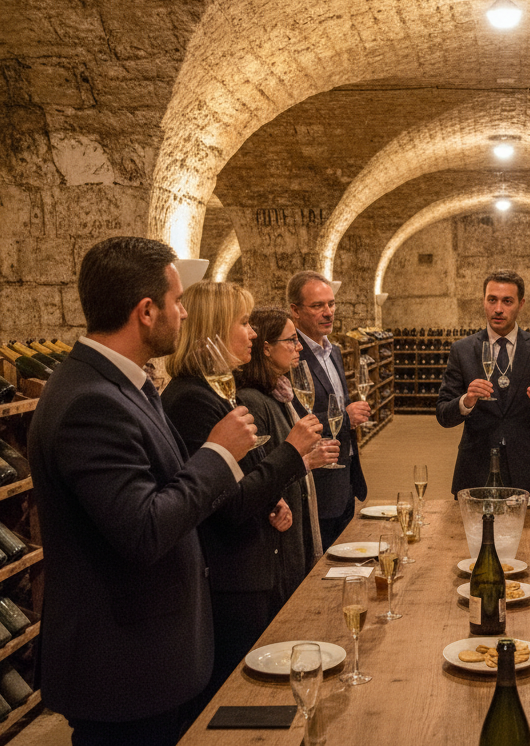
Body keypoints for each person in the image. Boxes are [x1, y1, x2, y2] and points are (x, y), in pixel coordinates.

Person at [29, 236, 256, 746]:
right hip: (123, 664)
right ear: (147, 311)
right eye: (178, 302)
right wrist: (219, 456)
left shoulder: (122, 385)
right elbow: (144, 528)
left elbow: (169, 484)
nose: (183, 313)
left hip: (151, 653)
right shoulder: (91, 401)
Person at [158, 283, 332, 706]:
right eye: (242, 323)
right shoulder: (192, 400)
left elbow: (238, 479)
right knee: (243, 697)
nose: (252, 334)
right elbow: (228, 503)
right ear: (213, 331)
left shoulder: (218, 393)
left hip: (253, 564)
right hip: (232, 575)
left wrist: (272, 498)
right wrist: (291, 452)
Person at [436, 269, 530, 497]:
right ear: (484, 301)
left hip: (526, 468)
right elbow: (443, 415)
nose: (498, 309)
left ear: (521, 304)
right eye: (492, 300)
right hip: (475, 467)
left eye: (507, 301)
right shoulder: (463, 350)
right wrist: (466, 402)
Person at [235, 306, 335, 594]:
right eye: (291, 340)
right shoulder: (253, 402)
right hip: (273, 540)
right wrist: (303, 461)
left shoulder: (279, 393)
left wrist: (306, 460)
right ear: (266, 348)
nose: (299, 346)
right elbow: (260, 471)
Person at [288, 271, 372, 547]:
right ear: (295, 310)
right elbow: (294, 421)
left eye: (331, 304)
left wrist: (349, 418)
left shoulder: (333, 351)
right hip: (318, 481)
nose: (328, 312)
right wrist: (344, 417)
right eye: (317, 306)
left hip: (345, 473)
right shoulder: (290, 357)